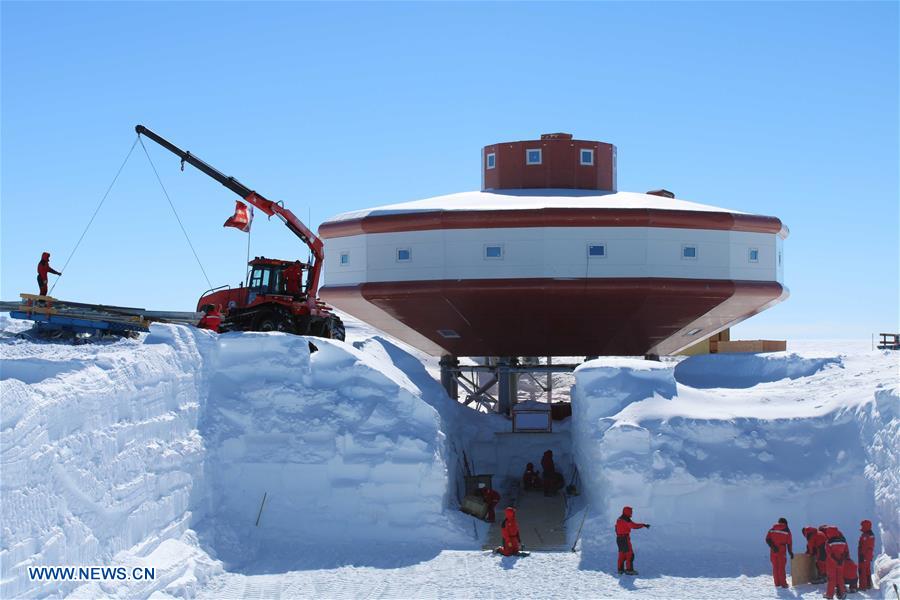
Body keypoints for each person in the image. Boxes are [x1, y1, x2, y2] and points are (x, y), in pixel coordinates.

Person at [615, 506, 650, 575]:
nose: (631, 513)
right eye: (631, 512)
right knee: (630, 554)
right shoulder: (626, 519)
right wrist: (643, 525)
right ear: (627, 512)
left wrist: (619, 534)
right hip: (625, 538)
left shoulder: (619, 518)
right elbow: (634, 526)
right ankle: (629, 570)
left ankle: (620, 569)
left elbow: (616, 528)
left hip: (619, 539)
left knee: (621, 554)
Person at [765, 517, 793, 589]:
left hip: (773, 550)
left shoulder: (772, 529)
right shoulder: (787, 530)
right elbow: (789, 543)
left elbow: (767, 539)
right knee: (781, 567)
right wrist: (790, 552)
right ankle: (783, 584)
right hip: (781, 550)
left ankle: (777, 583)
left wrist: (773, 547)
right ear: (785, 523)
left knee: (775, 567)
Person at [824, 525, 850, 600]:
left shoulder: (828, 541)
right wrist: (841, 560)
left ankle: (829, 595)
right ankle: (842, 593)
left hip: (831, 562)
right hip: (841, 562)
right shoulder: (843, 540)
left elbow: (829, 553)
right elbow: (846, 551)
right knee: (840, 578)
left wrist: (835, 560)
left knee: (831, 579)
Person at [857, 519, 875, 591]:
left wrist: (862, 556)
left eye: (862, 526)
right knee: (867, 569)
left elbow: (864, 547)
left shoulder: (866, 536)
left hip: (864, 556)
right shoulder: (870, 534)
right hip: (868, 555)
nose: (861, 527)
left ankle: (863, 586)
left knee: (862, 570)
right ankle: (868, 584)